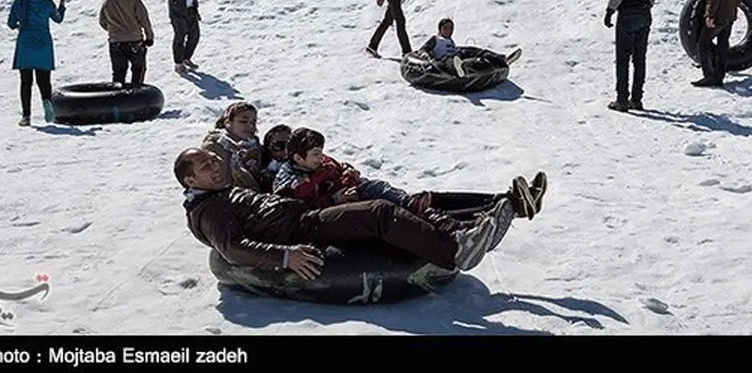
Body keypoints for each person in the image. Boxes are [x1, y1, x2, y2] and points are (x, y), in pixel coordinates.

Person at [174, 147, 503, 278]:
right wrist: (285, 257)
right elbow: (231, 248)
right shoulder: (208, 209)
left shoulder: (219, 193)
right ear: (190, 180)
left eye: (214, 161)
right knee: (378, 212)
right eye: (205, 166)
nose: (215, 167)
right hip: (300, 231)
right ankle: (455, 251)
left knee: (384, 203)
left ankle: (466, 229)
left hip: (303, 218)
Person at [274, 128, 546, 252]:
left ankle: (509, 202)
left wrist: (349, 172)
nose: (321, 158)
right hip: (350, 213)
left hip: (362, 195)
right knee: (407, 210)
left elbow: (338, 167)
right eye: (315, 154)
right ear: (297, 157)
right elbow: (297, 214)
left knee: (423, 200)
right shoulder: (287, 180)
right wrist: (332, 199)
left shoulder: (320, 162)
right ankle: (467, 229)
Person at [604, 0, 659, 112]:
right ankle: (637, 99)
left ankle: (622, 99)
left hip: (627, 12)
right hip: (645, 12)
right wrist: (648, 3)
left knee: (622, 59)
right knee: (639, 58)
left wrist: (610, 9)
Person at [8, 0, 67, 126]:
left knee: (25, 82)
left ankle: (26, 116)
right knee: (44, 80)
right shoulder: (47, 4)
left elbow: (11, 23)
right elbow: (58, 18)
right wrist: (62, 2)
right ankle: (47, 104)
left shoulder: (20, 2)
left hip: (25, 45)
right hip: (43, 45)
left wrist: (18, 26)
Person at [694, 0, 741, 88]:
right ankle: (719, 76)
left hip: (718, 16)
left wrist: (710, 15)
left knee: (703, 43)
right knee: (723, 44)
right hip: (730, 15)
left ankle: (709, 76)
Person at [98, 0, 154, 86]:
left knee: (118, 74)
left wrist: (114, 31)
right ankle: (135, 94)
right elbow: (144, 18)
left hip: (116, 42)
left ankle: (117, 95)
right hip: (134, 41)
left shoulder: (108, 1)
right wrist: (149, 36)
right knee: (138, 71)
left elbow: (102, 21)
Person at [415, 18, 522, 77]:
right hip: (444, 60)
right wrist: (425, 55)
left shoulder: (451, 41)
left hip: (456, 55)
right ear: (440, 29)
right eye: (445, 28)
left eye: (451, 28)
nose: (449, 31)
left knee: (472, 51)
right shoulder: (435, 39)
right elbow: (423, 49)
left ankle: (501, 59)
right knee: (450, 60)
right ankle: (460, 68)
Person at [201, 102, 265, 191]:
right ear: (228, 123)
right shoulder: (215, 147)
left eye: (253, 122)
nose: (250, 126)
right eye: (243, 121)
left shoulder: (256, 148)